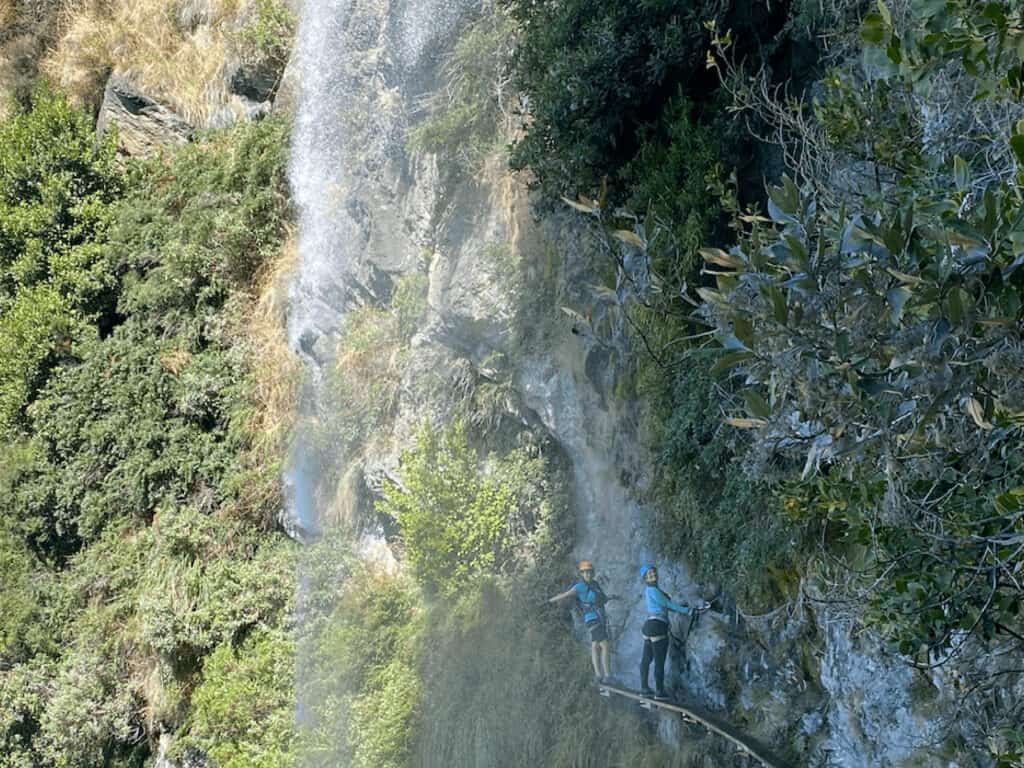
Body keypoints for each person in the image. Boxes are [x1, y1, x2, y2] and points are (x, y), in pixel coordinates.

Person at [638, 564, 708, 701]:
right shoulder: (653, 590)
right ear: (645, 578)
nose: (653, 576)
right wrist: (687, 611)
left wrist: (681, 607)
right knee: (659, 661)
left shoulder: (649, 591)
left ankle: (644, 688)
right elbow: (668, 605)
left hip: (649, 626)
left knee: (646, 659)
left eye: (653, 573)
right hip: (658, 626)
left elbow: (665, 605)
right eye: (649, 575)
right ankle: (659, 691)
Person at [548, 559, 615, 683]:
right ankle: (607, 675)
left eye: (589, 572)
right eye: (585, 572)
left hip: (600, 617)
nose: (588, 574)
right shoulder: (580, 586)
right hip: (591, 618)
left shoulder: (595, 584)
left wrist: (612, 597)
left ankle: (599, 676)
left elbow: (602, 599)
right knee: (604, 644)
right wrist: (549, 601)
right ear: (581, 574)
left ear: (592, 573)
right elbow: (565, 595)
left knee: (595, 645)